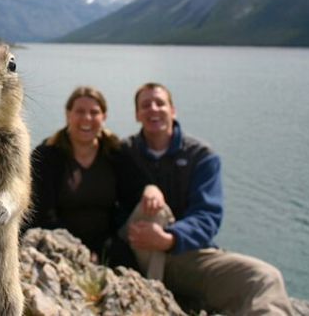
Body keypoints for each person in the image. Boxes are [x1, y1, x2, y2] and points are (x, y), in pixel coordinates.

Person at [119, 82, 294, 315]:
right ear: (137, 114)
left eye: (160, 103)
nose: (153, 109)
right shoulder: (123, 152)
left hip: (184, 256)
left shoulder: (201, 156)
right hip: (136, 251)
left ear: (173, 110)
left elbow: (207, 215)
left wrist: (170, 239)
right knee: (152, 210)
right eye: (145, 105)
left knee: (265, 278)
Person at [28, 86, 141, 263]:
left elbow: (136, 191)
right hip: (57, 240)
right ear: (68, 115)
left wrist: (151, 190)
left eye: (94, 112)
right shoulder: (47, 155)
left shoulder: (116, 152)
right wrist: (79, 250)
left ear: (104, 117)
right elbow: (41, 214)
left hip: (106, 242)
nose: (87, 118)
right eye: (79, 111)